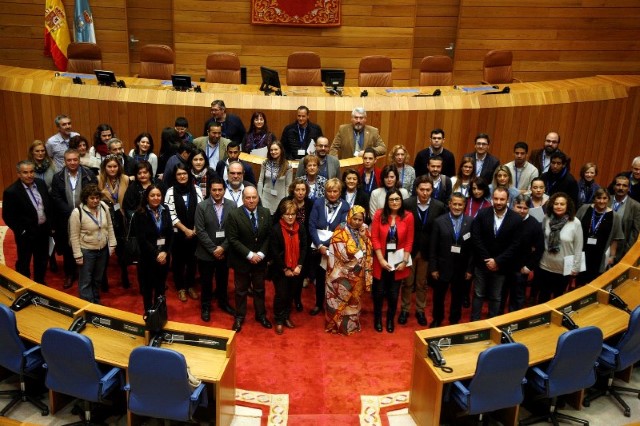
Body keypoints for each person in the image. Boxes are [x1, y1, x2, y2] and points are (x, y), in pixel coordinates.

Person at [399, 175, 446, 326]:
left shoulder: (439, 206)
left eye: (428, 190)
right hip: (409, 250)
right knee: (407, 283)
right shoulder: (407, 204)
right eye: (422, 190)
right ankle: (405, 310)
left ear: (432, 190)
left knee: (422, 283)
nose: (425, 193)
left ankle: (420, 310)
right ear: (416, 189)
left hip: (428, 251)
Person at [470, 187, 522, 320]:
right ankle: (474, 322)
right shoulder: (482, 214)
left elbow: (515, 245)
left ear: (508, 200)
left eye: (502, 199)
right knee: (478, 294)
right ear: (492, 199)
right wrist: (488, 260)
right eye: (496, 198)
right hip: (482, 263)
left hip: (501, 266)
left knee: (496, 296)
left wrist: (497, 261)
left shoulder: (516, 219)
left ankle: (493, 322)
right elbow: (476, 238)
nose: (498, 202)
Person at [226, 186, 273, 332]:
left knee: (259, 289)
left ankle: (261, 315)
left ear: (258, 198)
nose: (251, 201)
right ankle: (239, 317)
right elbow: (233, 239)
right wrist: (249, 255)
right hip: (242, 260)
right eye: (248, 198)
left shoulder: (265, 212)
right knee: (240, 291)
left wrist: (261, 254)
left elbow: (268, 236)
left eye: (254, 197)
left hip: (260, 261)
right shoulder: (234, 215)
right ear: (243, 198)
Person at [50, 149, 97, 289]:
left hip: (87, 216)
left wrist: (82, 212)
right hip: (66, 218)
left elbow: (93, 194)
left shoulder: (89, 175)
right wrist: (73, 213)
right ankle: (69, 274)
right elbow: (56, 198)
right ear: (65, 161)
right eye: (69, 160)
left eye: (75, 159)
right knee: (68, 247)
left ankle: (87, 274)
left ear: (79, 160)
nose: (72, 162)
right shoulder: (57, 177)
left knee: (87, 245)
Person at [371, 189, 414, 333]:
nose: (394, 202)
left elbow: (409, 240)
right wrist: (381, 259)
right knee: (378, 292)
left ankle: (390, 320)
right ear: (387, 201)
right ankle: (377, 320)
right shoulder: (379, 214)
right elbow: (375, 237)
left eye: (397, 199)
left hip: (399, 260)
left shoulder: (408, 216)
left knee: (394, 294)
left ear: (401, 201)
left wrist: (405, 260)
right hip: (380, 259)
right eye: (391, 200)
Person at [3, 160, 53, 284]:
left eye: (31, 172)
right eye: (25, 172)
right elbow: (8, 216)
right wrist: (22, 231)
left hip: (43, 230)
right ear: (19, 174)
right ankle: (25, 285)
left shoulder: (41, 184)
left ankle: (39, 283)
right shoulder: (11, 192)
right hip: (26, 234)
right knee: (24, 262)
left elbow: (48, 205)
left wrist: (50, 225)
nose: (29, 175)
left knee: (42, 259)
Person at [325, 205, 372, 335]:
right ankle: (335, 326)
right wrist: (357, 255)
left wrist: (363, 238)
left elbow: (369, 247)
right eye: (354, 218)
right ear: (349, 217)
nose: (357, 222)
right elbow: (339, 251)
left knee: (354, 300)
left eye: (360, 220)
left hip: (358, 274)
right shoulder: (340, 229)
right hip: (341, 273)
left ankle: (351, 325)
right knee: (338, 300)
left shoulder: (364, 230)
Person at [195, 177, 237, 322]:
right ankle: (205, 306)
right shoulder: (201, 206)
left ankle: (223, 302)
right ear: (210, 191)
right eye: (214, 190)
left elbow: (233, 230)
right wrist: (214, 249)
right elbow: (200, 231)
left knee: (223, 280)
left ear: (224, 190)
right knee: (206, 282)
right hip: (206, 253)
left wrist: (223, 248)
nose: (217, 193)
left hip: (224, 252)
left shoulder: (232, 205)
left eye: (220, 190)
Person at [429, 193, 473, 326]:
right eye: (455, 204)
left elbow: (472, 249)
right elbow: (433, 247)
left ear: (464, 206)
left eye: (460, 204)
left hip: (461, 268)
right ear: (449, 204)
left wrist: (470, 269)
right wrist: (433, 267)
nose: (457, 207)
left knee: (457, 296)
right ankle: (437, 318)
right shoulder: (439, 221)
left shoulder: (470, 222)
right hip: (442, 267)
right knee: (438, 296)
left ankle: (454, 319)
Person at [68, 184, 116, 303]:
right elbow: (73, 236)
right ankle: (87, 304)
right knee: (85, 280)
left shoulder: (104, 207)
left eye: (97, 197)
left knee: (97, 278)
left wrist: (112, 243)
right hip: (86, 250)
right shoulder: (77, 212)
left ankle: (95, 300)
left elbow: (109, 226)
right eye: (92, 198)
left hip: (102, 249)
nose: (95, 200)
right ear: (85, 198)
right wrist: (77, 255)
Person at [308, 178, 350, 316]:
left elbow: (342, 229)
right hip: (317, 245)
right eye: (329, 191)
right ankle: (318, 304)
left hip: (334, 247)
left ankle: (332, 305)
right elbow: (312, 225)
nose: (332, 194)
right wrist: (319, 245)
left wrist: (327, 246)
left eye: (335, 191)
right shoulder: (318, 203)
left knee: (334, 278)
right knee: (319, 277)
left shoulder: (345, 206)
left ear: (340, 192)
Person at [273, 178, 314, 311]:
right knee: (283, 286)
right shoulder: (285, 202)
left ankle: (296, 300)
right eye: (298, 189)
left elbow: (311, 224)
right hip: (284, 245)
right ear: (293, 190)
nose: (300, 192)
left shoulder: (310, 204)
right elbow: (276, 220)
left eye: (303, 189)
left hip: (302, 243)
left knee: (299, 277)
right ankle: (283, 309)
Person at [165, 164, 203, 302]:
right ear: (175, 176)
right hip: (178, 234)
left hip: (195, 232)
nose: (182, 176)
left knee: (193, 261)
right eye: (179, 174)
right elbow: (171, 215)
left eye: (184, 173)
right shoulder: (170, 192)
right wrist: (185, 230)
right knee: (178, 262)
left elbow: (201, 210)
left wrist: (195, 229)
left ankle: (191, 285)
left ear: (189, 174)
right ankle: (181, 287)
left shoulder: (197, 190)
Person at [270, 201, 308, 335]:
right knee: (281, 295)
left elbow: (304, 247)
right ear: (282, 216)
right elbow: (274, 252)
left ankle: (286, 316)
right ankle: (279, 320)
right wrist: (285, 269)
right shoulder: (275, 229)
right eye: (287, 214)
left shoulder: (301, 228)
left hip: (296, 269)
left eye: (293, 214)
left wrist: (299, 266)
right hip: (280, 270)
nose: (291, 217)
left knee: (291, 294)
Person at [133, 185, 173, 311]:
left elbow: (171, 234)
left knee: (161, 288)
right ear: (147, 197)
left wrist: (165, 252)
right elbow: (142, 240)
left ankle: (160, 313)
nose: (156, 198)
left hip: (164, 258)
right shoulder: (140, 213)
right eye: (152, 195)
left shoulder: (165, 209)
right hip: (147, 258)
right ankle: (150, 315)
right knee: (148, 289)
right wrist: (157, 254)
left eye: (158, 195)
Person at [537, 192, 583, 303]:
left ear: (568, 206)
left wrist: (575, 267)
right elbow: (542, 239)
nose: (558, 206)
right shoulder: (547, 219)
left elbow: (578, 246)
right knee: (543, 297)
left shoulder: (575, 222)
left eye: (562, 204)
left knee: (558, 299)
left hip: (564, 268)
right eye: (556, 203)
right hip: (545, 265)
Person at [576, 188, 623, 286]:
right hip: (581, 251)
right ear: (594, 199)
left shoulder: (615, 216)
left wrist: (612, 256)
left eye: (605, 198)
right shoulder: (585, 208)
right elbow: (574, 227)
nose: (601, 201)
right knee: (578, 281)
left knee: (594, 283)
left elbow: (615, 239)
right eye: (599, 198)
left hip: (599, 256)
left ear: (608, 200)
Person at [97, 155, 130, 289]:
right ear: (105, 167)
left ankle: (125, 276)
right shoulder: (98, 179)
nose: (112, 169)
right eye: (109, 166)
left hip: (122, 218)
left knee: (122, 250)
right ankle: (103, 279)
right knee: (105, 249)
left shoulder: (125, 179)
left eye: (115, 166)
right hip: (105, 218)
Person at [508, 194, 544, 312]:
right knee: (499, 295)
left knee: (518, 297)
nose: (522, 211)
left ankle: (514, 321)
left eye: (525, 208)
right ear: (513, 206)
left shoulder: (534, 225)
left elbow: (539, 248)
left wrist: (529, 266)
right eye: (519, 207)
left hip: (521, 268)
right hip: (505, 265)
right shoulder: (506, 219)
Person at [610, 173, 640, 263]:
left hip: (621, 250)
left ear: (629, 188)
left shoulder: (635, 206)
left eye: (624, 185)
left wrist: (626, 250)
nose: (621, 188)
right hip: (602, 245)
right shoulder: (606, 200)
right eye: (618, 185)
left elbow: (635, 231)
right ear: (614, 187)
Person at [257, 140, 293, 214]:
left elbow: (288, 186)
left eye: (276, 149)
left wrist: (286, 201)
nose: (273, 152)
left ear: (281, 150)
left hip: (280, 199)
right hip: (265, 198)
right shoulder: (265, 163)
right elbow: (260, 181)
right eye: (271, 150)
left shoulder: (287, 166)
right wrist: (259, 196)